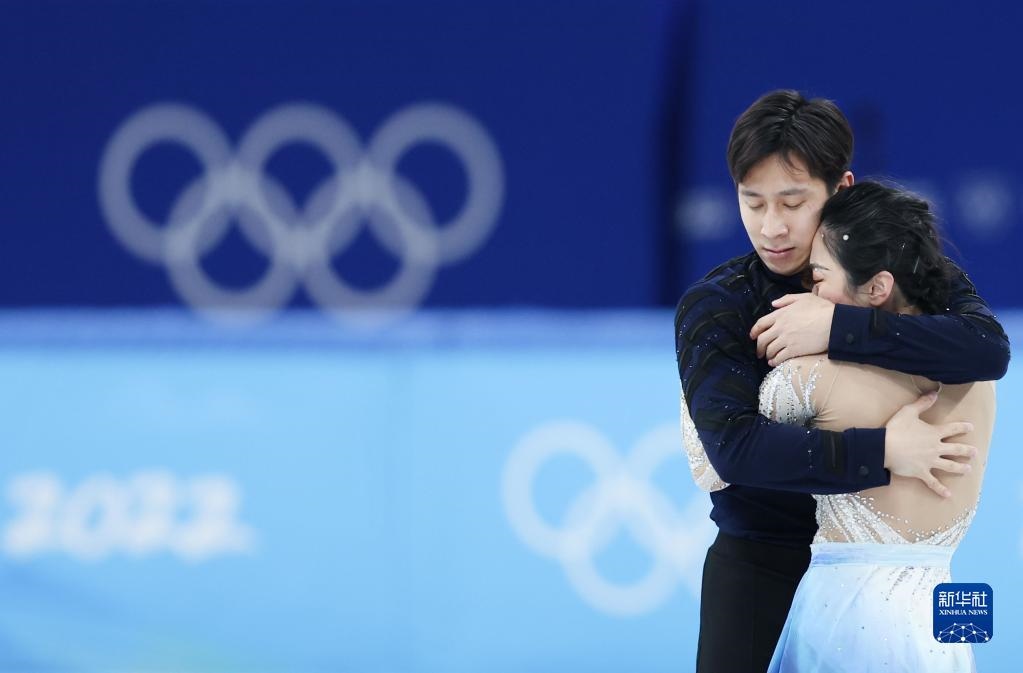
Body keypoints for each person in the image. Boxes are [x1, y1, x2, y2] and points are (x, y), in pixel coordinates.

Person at [674, 90, 1010, 673]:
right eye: (752, 203)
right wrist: (882, 452)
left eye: (792, 202)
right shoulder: (719, 304)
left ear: (840, 189)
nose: (772, 227)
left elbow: (987, 350)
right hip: (761, 568)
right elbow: (735, 450)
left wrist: (839, 326)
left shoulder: (900, 268)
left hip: (908, 573)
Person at [761, 181, 994, 671]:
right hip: (945, 621)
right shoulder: (980, 382)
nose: (810, 294)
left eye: (818, 277)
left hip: (847, 612)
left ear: (876, 288)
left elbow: (719, 455)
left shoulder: (812, 378)